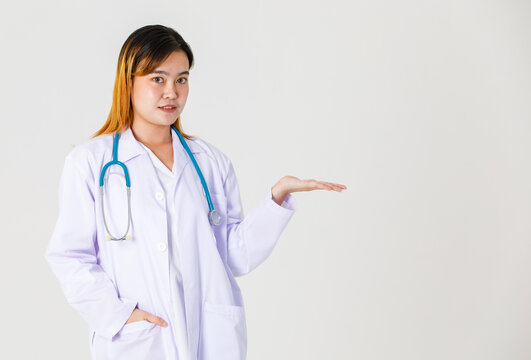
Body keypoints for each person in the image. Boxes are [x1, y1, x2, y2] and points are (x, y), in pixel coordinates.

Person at [45, 24, 346, 360]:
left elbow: (234, 256)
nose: (171, 92)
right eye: (157, 79)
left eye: (182, 79)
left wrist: (277, 196)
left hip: (210, 339)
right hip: (139, 342)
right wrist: (119, 316)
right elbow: (71, 256)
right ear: (128, 81)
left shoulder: (210, 162)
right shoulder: (91, 163)